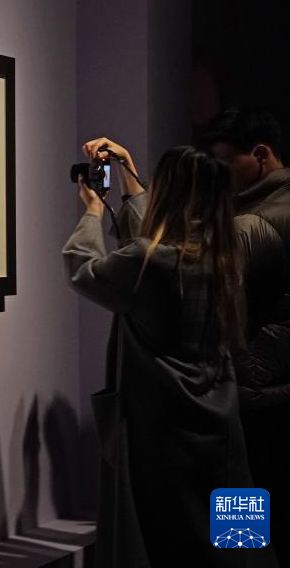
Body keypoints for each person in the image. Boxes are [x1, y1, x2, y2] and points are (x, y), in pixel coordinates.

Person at [63, 139, 272, 568]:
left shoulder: (149, 261)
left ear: (169, 192)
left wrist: (93, 211)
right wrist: (128, 169)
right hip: (221, 420)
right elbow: (158, 242)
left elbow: (84, 270)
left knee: (166, 539)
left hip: (161, 426)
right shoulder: (225, 255)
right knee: (237, 536)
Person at [202, 107, 290, 566]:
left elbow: (199, 288)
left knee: (243, 528)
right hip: (275, 385)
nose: (218, 174)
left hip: (255, 391)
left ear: (260, 154)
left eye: (224, 163)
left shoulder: (253, 223)